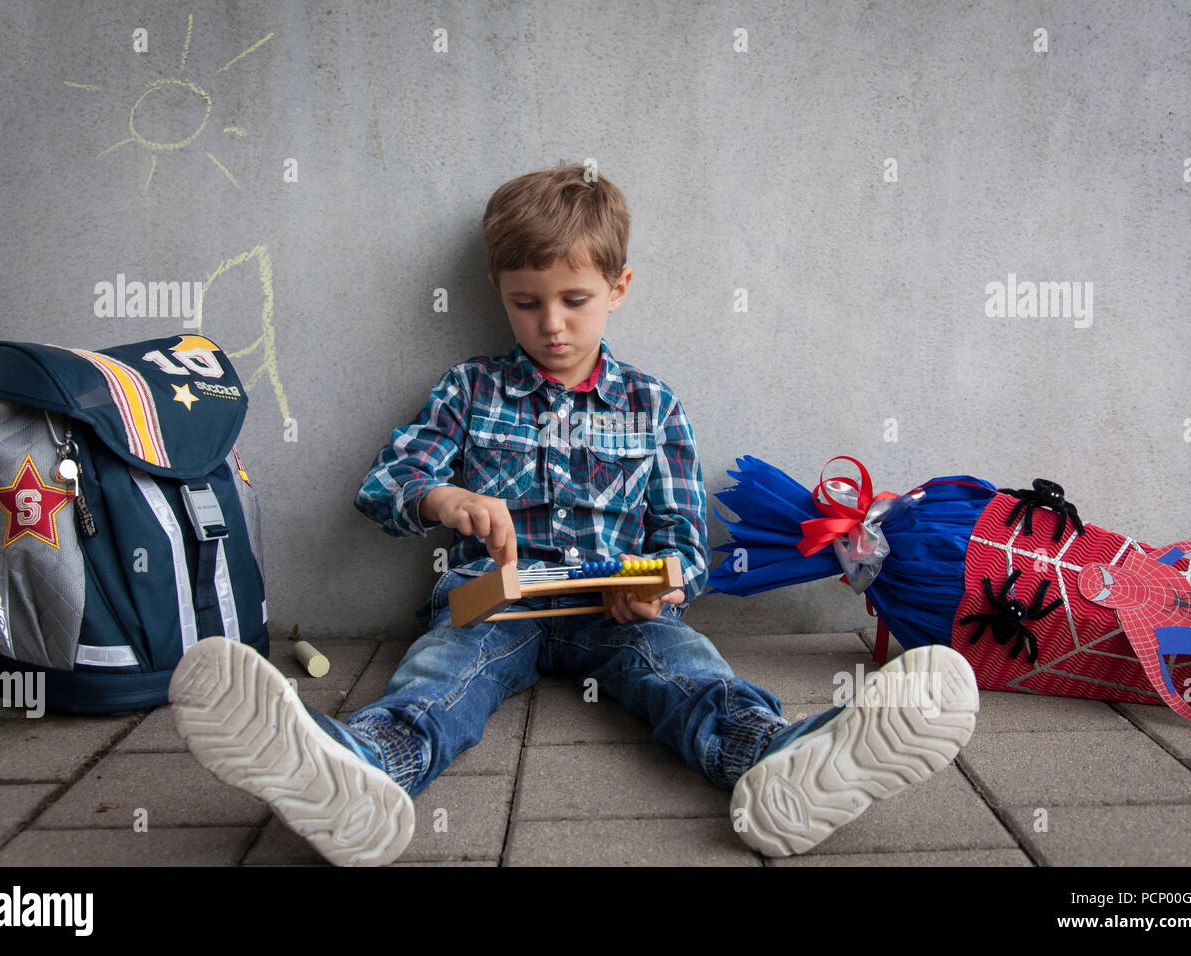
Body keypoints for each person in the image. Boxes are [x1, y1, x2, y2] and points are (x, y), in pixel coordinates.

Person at [170, 163, 979, 866]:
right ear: (497, 292)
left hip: (615, 608)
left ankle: (777, 756)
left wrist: (662, 589)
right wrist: (442, 497)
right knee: (443, 677)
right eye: (526, 303)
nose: (551, 325)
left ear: (618, 290)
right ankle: (361, 766)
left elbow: (685, 544)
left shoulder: (653, 405)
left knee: (683, 667)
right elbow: (385, 482)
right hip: (495, 600)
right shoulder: (468, 391)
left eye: (574, 300)